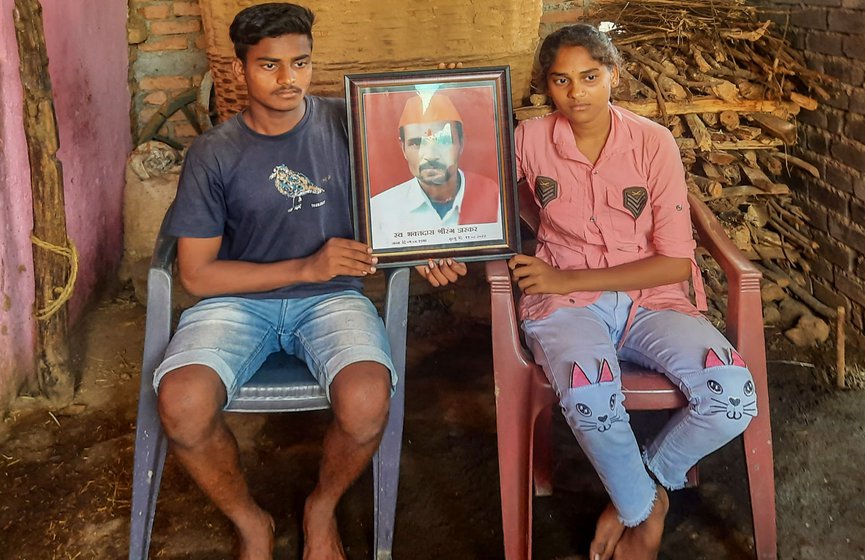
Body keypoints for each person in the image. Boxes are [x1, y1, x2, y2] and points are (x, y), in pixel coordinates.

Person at [152, 3, 461, 558]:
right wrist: (305, 267)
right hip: (237, 302)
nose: (288, 78)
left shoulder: (352, 123)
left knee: (367, 400)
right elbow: (197, 275)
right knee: (181, 403)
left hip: (331, 300)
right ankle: (252, 523)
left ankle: (322, 506)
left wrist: (423, 249)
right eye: (269, 65)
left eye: (299, 63)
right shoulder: (213, 153)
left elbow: (398, 206)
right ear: (241, 69)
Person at [509, 24, 757, 560]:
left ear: (613, 76)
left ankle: (634, 496)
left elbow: (671, 259)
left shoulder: (652, 142)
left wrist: (569, 276)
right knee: (590, 396)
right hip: (564, 307)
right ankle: (649, 511)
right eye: (561, 80)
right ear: (547, 87)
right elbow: (483, 197)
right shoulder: (529, 139)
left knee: (733, 397)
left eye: (590, 77)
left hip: (654, 299)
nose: (577, 93)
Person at [369, 91, 501, 249]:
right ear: (403, 148)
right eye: (417, 143)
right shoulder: (379, 210)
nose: (430, 156)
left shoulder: (495, 198)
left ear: (461, 143)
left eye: (443, 141)